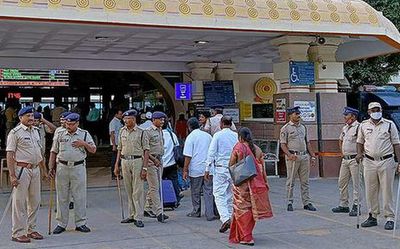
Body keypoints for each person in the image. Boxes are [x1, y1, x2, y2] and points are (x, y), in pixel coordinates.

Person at [49, 113, 97, 234]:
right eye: (67, 124)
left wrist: (84, 144)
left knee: (79, 196)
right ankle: (61, 223)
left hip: (78, 167)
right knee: (62, 196)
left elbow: (93, 149)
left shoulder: (84, 134)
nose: (68, 126)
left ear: (77, 123)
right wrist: (50, 167)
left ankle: (81, 223)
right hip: (62, 167)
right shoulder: (60, 133)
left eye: (71, 124)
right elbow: (53, 151)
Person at [356, 102, 400, 230]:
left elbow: (396, 144)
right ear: (369, 112)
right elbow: (360, 141)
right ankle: (373, 216)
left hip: (386, 160)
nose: (376, 111)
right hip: (369, 161)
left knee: (387, 190)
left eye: (378, 109)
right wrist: (359, 153)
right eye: (373, 110)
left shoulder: (389, 125)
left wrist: (399, 162)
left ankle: (390, 217)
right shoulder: (363, 125)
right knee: (370, 190)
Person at [6, 106, 46, 243]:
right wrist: (12, 175)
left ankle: (31, 229)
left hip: (35, 169)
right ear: (20, 118)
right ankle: (17, 232)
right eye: (27, 115)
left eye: (32, 115)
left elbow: (39, 153)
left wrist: (44, 171)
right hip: (21, 170)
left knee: (35, 201)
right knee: (19, 202)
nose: (31, 118)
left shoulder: (36, 131)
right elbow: (10, 154)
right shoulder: (15, 133)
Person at [228, 127, 273, 246]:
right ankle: (246, 234)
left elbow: (231, 165)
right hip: (256, 184)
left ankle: (246, 237)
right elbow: (262, 170)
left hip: (242, 185)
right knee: (252, 210)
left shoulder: (239, 147)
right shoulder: (257, 149)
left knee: (242, 210)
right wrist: (265, 182)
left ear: (240, 137)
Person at [114, 109, 149, 228]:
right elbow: (119, 148)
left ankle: (138, 216)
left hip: (137, 161)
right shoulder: (122, 131)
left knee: (137, 190)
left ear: (133, 120)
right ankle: (131, 214)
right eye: (124, 119)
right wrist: (116, 164)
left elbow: (146, 150)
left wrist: (145, 168)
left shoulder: (141, 132)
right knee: (128, 189)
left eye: (128, 119)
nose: (125, 121)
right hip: (124, 161)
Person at [280, 106, 317, 212]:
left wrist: (312, 155)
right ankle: (289, 202)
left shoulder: (303, 127)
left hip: (304, 156)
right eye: (296, 114)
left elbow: (307, 142)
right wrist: (289, 155)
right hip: (293, 157)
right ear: (290, 115)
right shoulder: (285, 128)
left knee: (305, 182)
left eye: (299, 113)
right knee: (291, 181)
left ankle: (306, 202)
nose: (298, 115)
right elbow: (283, 144)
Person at [205, 116, 238, 233]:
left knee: (218, 194)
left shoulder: (218, 135)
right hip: (234, 169)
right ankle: (230, 218)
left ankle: (225, 218)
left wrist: (207, 168)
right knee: (230, 194)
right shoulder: (235, 136)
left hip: (220, 169)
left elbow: (211, 152)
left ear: (221, 123)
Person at [183, 117, 217, 220]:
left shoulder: (190, 137)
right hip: (208, 168)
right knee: (209, 191)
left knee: (195, 191)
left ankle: (196, 211)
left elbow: (188, 156)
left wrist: (185, 170)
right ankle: (210, 213)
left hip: (196, 169)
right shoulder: (208, 136)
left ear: (189, 127)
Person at [332, 107, 363, 216]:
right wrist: (342, 152)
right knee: (342, 182)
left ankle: (356, 205)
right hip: (345, 159)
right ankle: (343, 204)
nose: (344, 117)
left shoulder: (359, 127)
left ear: (353, 116)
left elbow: (362, 142)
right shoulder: (345, 128)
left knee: (356, 183)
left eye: (347, 115)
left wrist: (360, 154)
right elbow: (340, 140)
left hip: (355, 159)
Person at [143, 111, 169, 222]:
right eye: (160, 119)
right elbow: (145, 150)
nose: (162, 121)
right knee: (155, 188)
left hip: (159, 160)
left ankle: (147, 207)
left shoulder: (160, 131)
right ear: (154, 120)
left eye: (163, 120)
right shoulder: (147, 132)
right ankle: (159, 212)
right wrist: (153, 160)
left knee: (155, 185)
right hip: (151, 161)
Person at [162, 121, 182, 206]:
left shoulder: (156, 135)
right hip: (171, 163)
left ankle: (162, 201)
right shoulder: (172, 135)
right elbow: (177, 147)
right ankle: (176, 200)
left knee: (159, 183)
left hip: (159, 164)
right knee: (174, 182)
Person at [109, 109, 124, 180]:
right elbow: (112, 134)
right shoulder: (113, 122)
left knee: (119, 159)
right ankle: (114, 174)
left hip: (119, 143)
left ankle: (118, 174)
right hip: (115, 143)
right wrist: (114, 145)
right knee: (115, 159)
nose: (121, 115)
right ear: (116, 114)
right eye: (120, 114)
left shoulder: (119, 122)